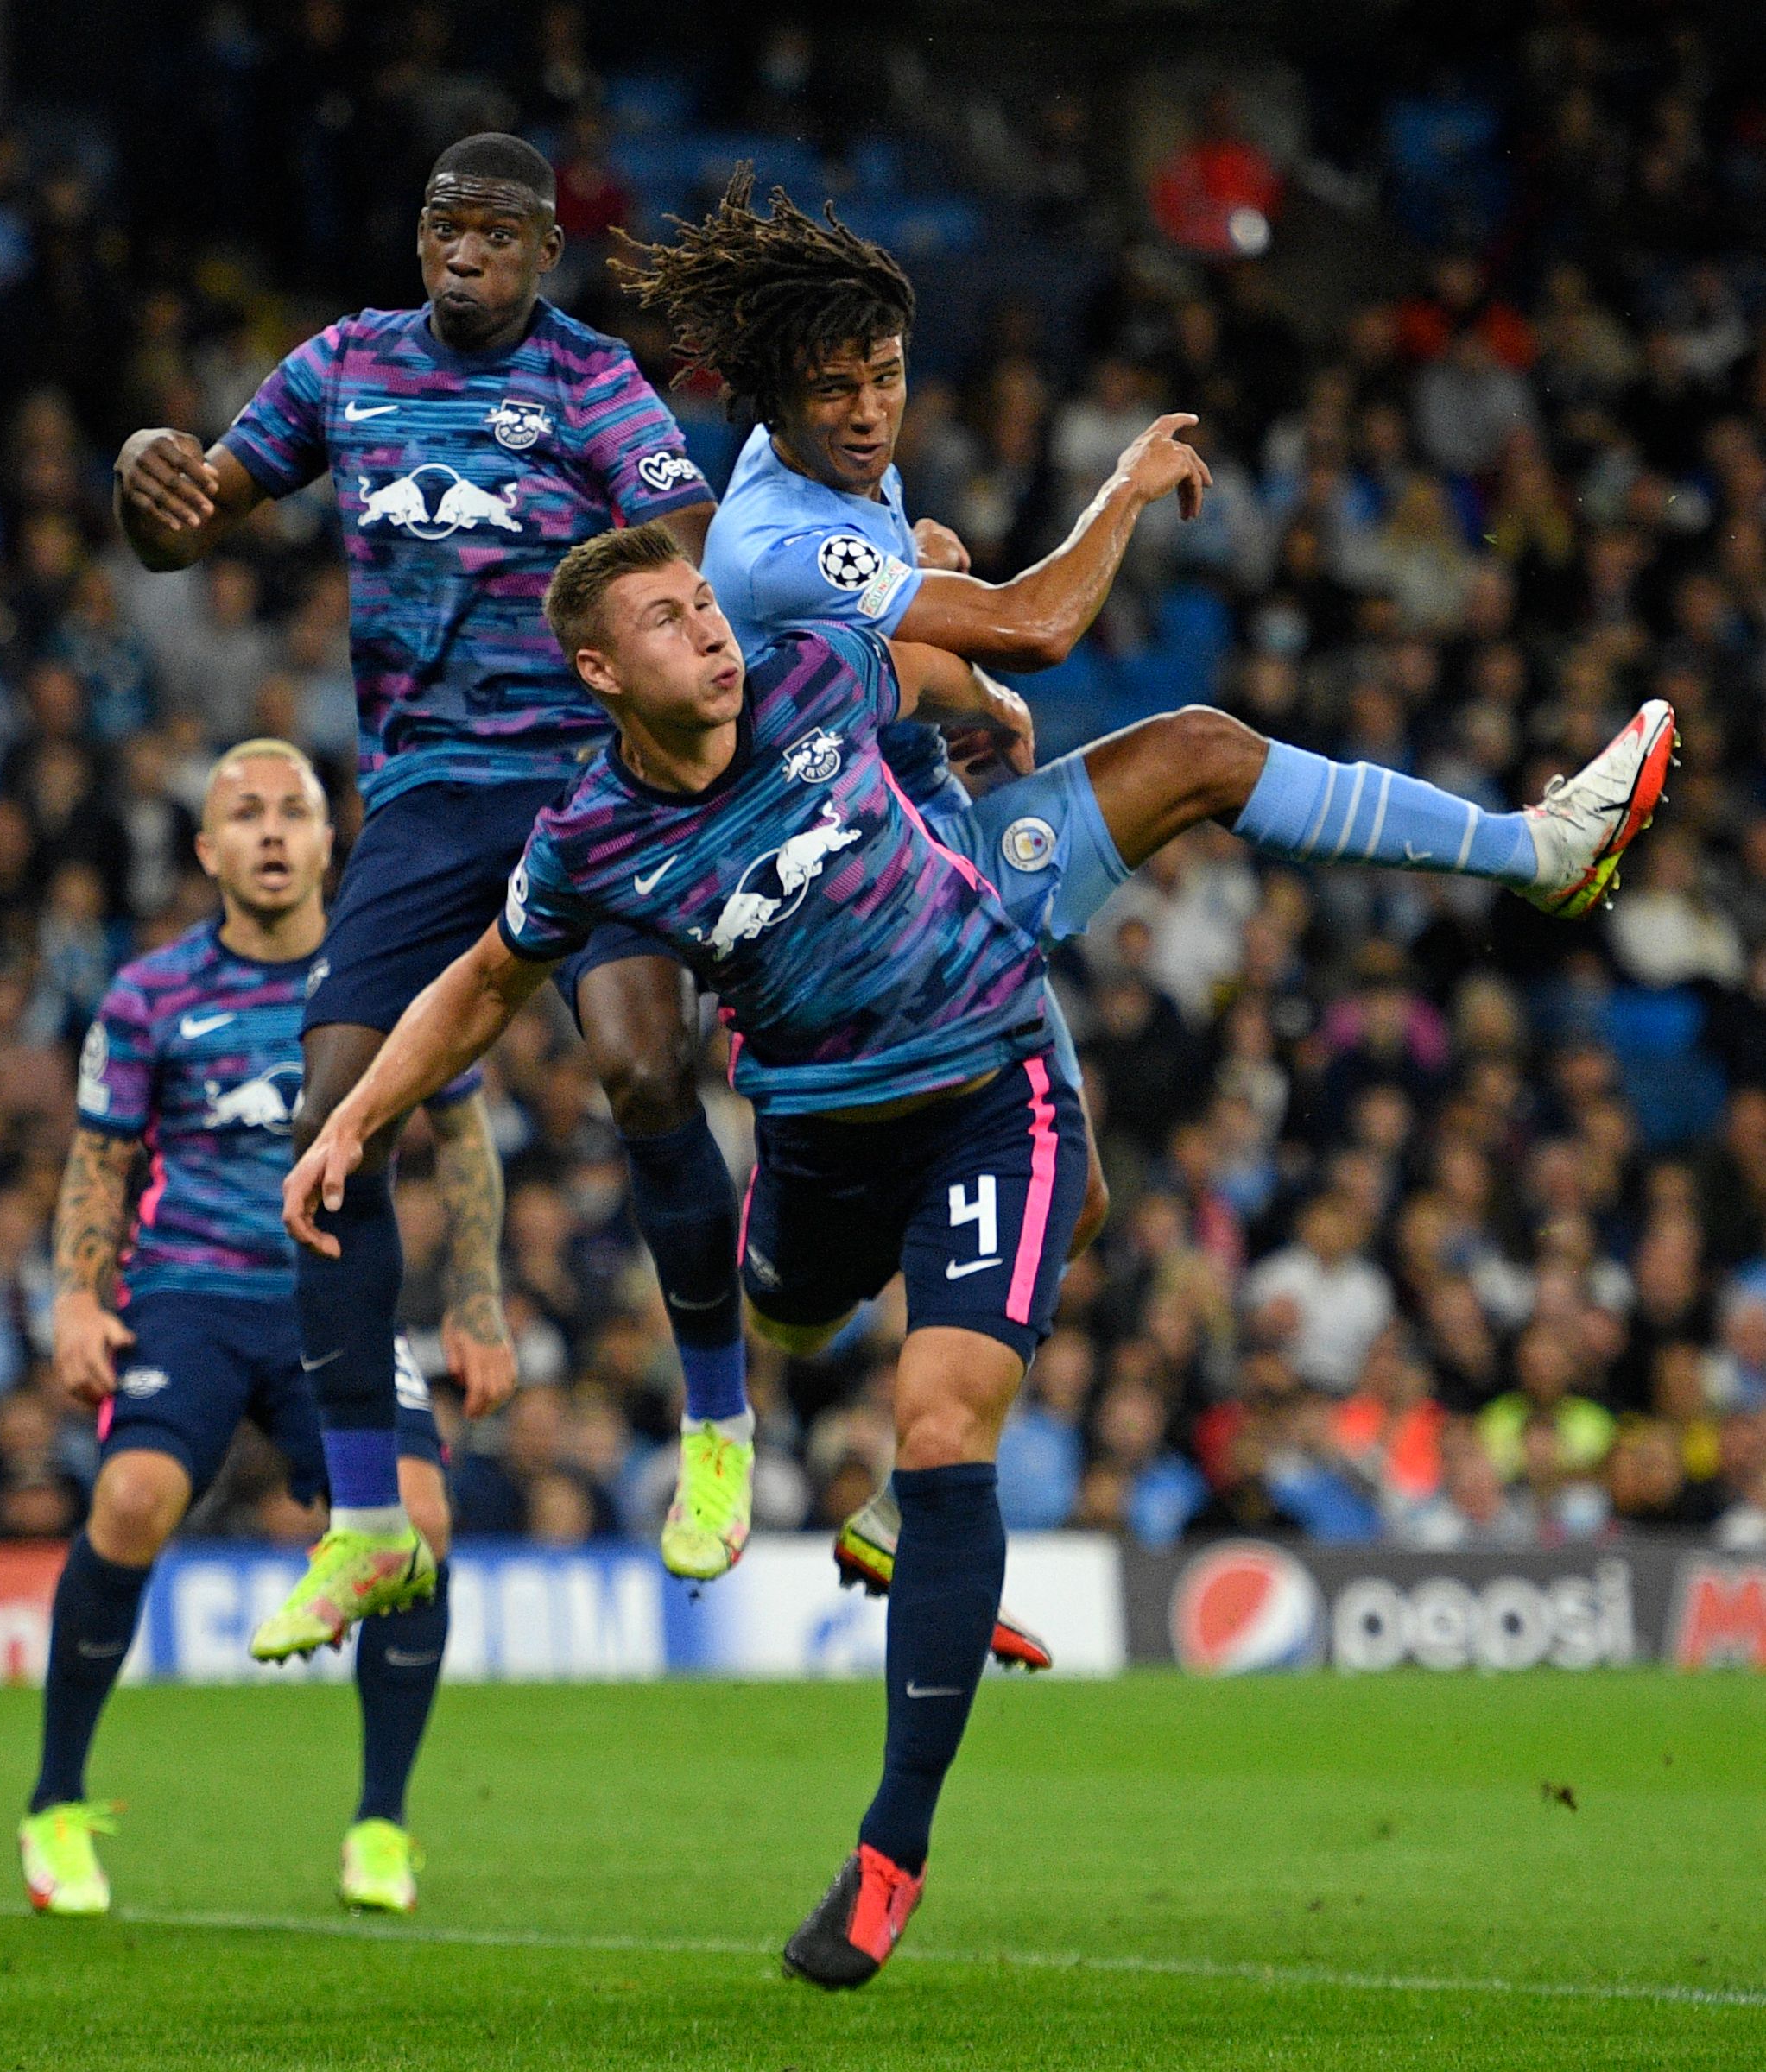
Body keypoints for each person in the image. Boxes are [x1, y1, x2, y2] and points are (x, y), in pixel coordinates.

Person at [280, 521, 1668, 1990]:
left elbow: (953, 658)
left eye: (704, 602)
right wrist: (353, 1122)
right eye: (670, 618)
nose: (707, 627)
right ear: (598, 669)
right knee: (791, 1313)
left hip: (987, 1095)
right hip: (813, 1138)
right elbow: (486, 983)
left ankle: (889, 1853)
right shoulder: (590, 838)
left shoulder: (815, 670)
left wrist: (978, 691)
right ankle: (778, 1391)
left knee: (942, 1426)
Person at [621, 173, 1674, 1597]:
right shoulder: (775, 529)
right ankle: (839, 1386)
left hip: (920, 860)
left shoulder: (841, 487)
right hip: (843, 934)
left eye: (884, 376)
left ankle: (1542, 852)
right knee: (814, 1302)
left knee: (1190, 770)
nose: (869, 410)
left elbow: (892, 659)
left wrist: (958, 675)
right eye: (834, 389)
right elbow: (1046, 621)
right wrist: (1110, 498)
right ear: (770, 398)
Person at [111, 134, 756, 1664]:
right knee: (329, 1118)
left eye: (492, 231)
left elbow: (685, 551)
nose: (460, 252)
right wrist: (151, 485)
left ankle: (716, 1424)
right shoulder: (343, 365)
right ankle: (365, 1521)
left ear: (543, 250)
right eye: (439, 226)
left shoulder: (596, 385)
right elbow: (184, 519)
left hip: (589, 781)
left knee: (643, 1069)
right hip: (421, 797)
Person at [27, 740, 503, 1921]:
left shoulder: (389, 972)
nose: (274, 832)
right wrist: (77, 1295)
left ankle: (381, 1824)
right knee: (131, 1501)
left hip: (334, 1295)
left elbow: (465, 1141)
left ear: (332, 841)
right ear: (206, 851)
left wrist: (478, 1301)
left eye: (294, 810)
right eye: (245, 814)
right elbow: (98, 1158)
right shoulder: (148, 994)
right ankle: (54, 1804)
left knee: (423, 1522)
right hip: (188, 1292)